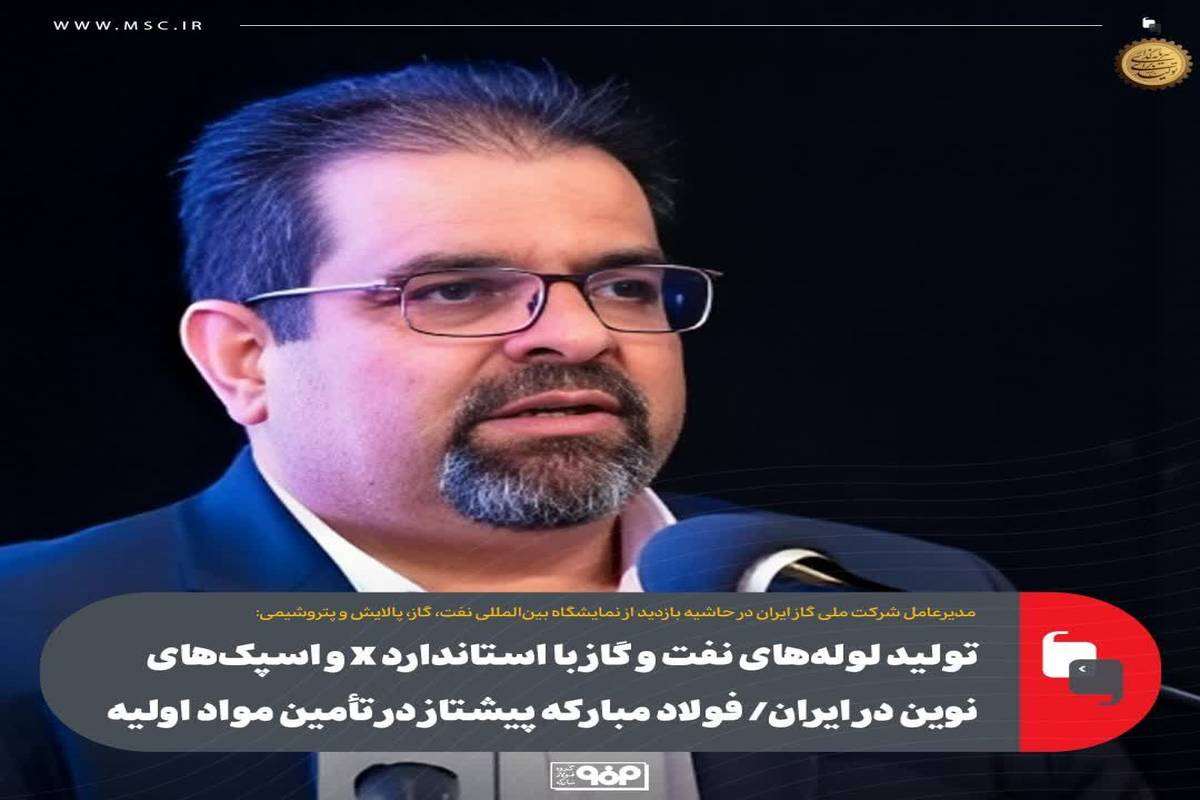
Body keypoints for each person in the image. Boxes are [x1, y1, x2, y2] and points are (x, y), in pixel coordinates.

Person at [0, 62, 1150, 799]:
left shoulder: (923, 605)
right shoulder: (30, 634)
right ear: (246, 357)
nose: (581, 334)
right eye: (456, 290)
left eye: (626, 285)